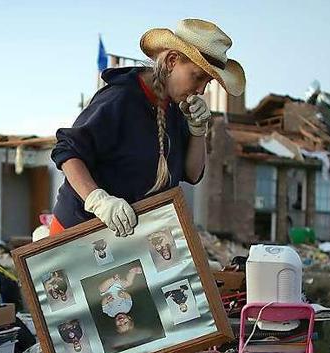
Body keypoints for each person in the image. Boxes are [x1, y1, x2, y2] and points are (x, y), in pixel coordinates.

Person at [50, 19, 245, 237]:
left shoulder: (176, 109)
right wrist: (98, 200)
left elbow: (192, 174)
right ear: (172, 60)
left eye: (207, 83)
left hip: (128, 238)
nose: (200, 90)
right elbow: (68, 151)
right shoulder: (120, 98)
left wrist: (198, 130)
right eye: (198, 77)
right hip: (78, 233)